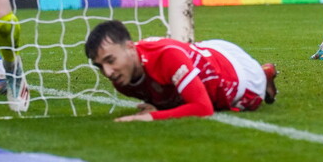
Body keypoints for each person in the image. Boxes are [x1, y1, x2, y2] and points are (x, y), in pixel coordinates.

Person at [85, 19, 277, 121]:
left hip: (239, 76)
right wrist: (159, 106)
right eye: (100, 66)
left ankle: (263, 74)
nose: (108, 72)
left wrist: (152, 116)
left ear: (129, 47)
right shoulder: (122, 78)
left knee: (242, 98)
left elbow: (203, 108)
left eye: (110, 60)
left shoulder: (166, 56)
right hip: (204, 55)